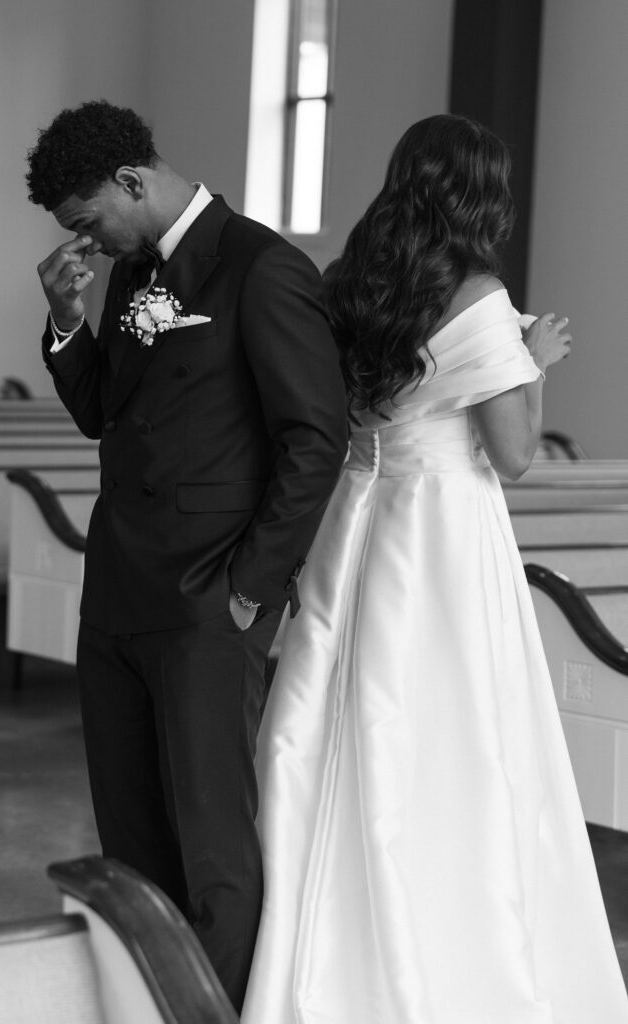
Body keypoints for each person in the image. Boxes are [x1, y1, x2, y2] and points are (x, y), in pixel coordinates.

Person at [241, 114, 628, 1023]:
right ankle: (450, 936)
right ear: (479, 196)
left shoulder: (347, 283)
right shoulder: (481, 294)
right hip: (444, 534)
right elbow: (516, 454)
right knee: (450, 728)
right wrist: (534, 365)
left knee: (338, 710)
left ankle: (310, 920)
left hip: (359, 514)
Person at [26, 99, 349, 1013]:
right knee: (131, 839)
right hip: (120, 593)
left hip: (211, 601)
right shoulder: (132, 274)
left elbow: (313, 441)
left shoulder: (264, 268)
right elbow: (103, 413)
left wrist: (251, 590)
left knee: (214, 849)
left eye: (90, 221)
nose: (90, 242)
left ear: (132, 181)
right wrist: (64, 319)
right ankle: (146, 1001)